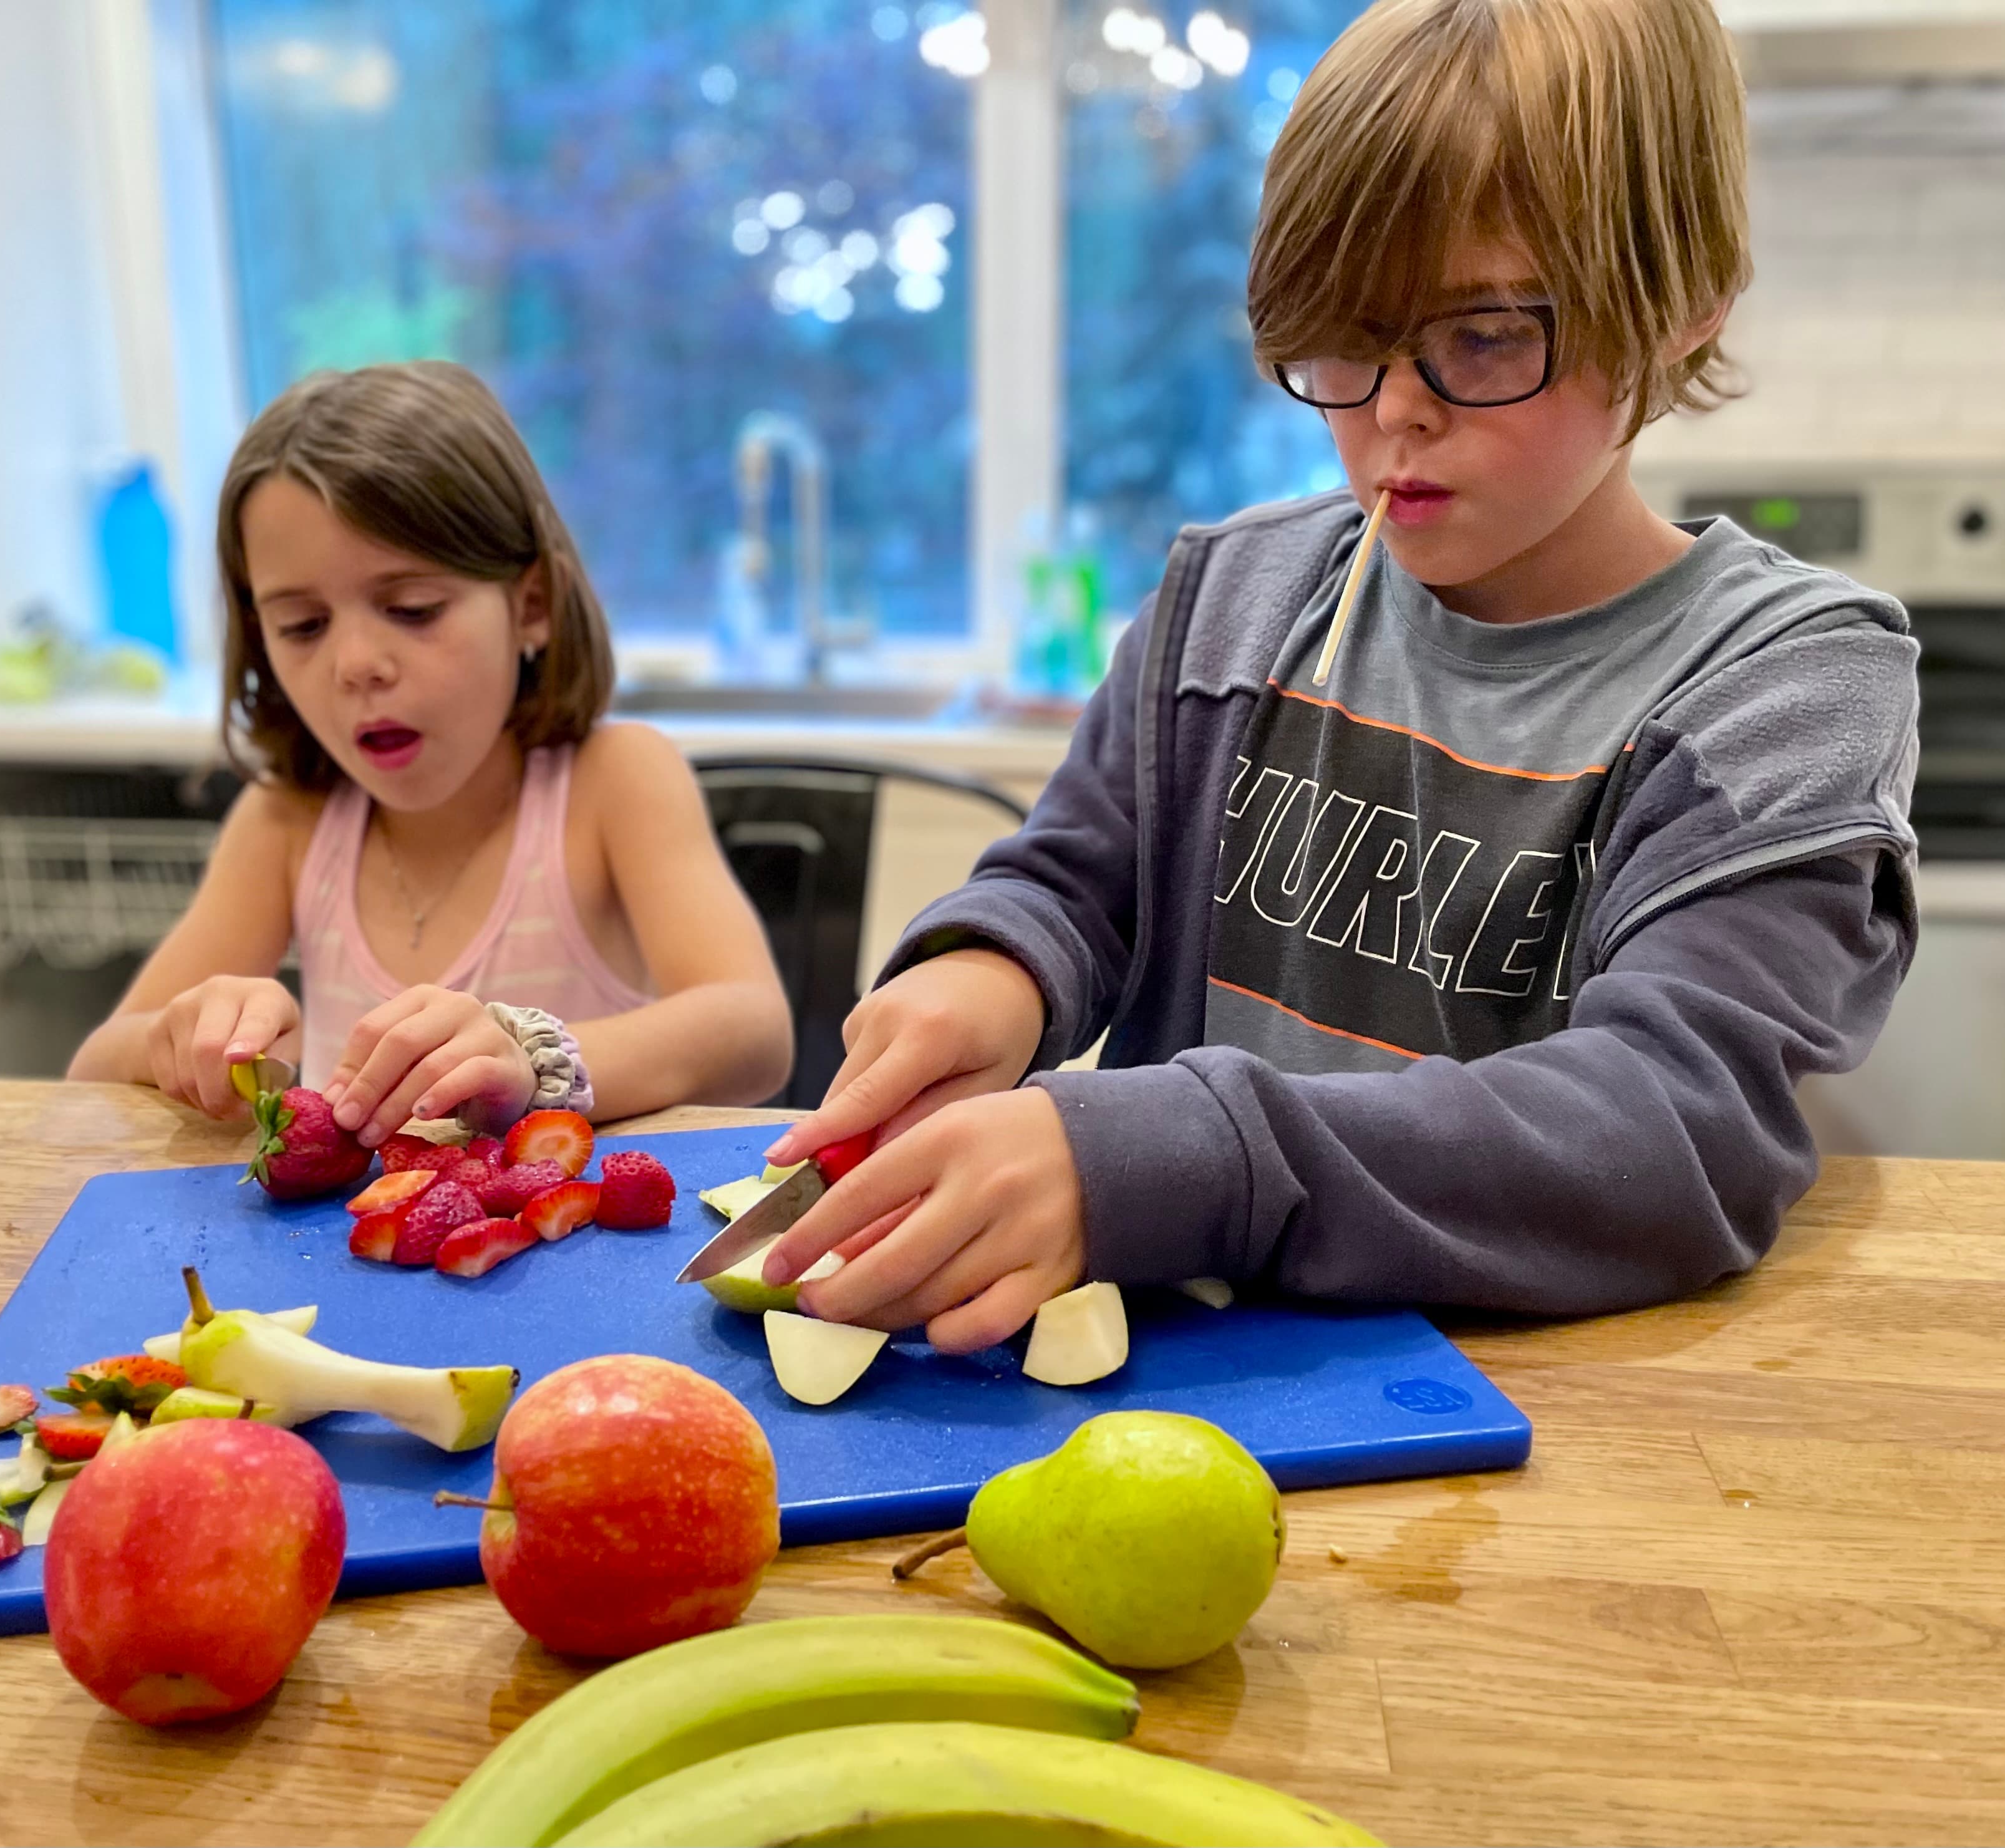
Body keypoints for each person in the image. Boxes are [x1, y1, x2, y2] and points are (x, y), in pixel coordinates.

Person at [760, 0, 1918, 1352]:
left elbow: (1671, 1130)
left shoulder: (1780, 689)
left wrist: (1182, 1151)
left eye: (1481, 336)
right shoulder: (1233, 599)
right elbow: (1073, 882)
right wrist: (985, 974)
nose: (1389, 413)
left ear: (1683, 306)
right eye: (1336, 339)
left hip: (1547, 1417)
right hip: (1172, 1385)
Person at [70, 362, 793, 1139]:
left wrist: (529, 1057)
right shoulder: (286, 821)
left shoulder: (614, 782)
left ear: (532, 606)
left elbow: (754, 1031)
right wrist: (179, 1039)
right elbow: (92, 1071)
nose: (355, 665)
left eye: (411, 609)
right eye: (303, 625)